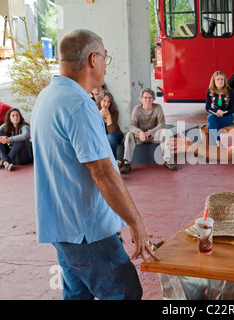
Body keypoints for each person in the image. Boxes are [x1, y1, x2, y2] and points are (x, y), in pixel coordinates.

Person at [31, 29, 158, 300]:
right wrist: (135, 222)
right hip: (87, 233)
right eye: (105, 57)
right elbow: (103, 174)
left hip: (62, 228)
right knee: (125, 293)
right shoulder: (79, 105)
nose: (104, 64)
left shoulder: (47, 97)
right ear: (92, 59)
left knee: (78, 295)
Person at [119, 88, 176, 173]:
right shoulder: (137, 109)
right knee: (129, 135)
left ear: (153, 98)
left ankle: (168, 161)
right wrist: (140, 132)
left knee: (166, 132)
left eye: (150, 97)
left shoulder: (157, 107)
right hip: (141, 137)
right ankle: (127, 163)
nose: (148, 100)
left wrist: (149, 132)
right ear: (141, 99)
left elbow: (162, 124)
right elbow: (132, 126)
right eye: (145, 97)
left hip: (153, 135)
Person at [205, 71, 234, 146]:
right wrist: (217, 111)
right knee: (210, 117)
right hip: (215, 115)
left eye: (222, 79)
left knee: (211, 124)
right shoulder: (210, 91)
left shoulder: (230, 91)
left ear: (225, 80)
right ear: (214, 81)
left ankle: (216, 143)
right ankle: (218, 142)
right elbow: (207, 107)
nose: (220, 81)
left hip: (227, 116)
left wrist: (223, 113)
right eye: (218, 79)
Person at [96, 90, 124, 160]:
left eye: (108, 102)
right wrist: (99, 116)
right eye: (104, 101)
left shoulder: (114, 112)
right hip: (101, 136)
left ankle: (113, 161)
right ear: (100, 101)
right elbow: (95, 129)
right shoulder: (94, 112)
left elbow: (111, 131)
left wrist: (108, 116)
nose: (106, 104)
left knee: (110, 137)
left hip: (116, 134)